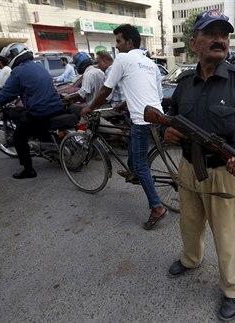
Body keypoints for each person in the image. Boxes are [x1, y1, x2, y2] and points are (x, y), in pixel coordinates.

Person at [162, 10, 235, 321]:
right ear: (195, 43)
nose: (219, 39)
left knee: (229, 235)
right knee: (190, 224)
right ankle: (191, 259)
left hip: (225, 173)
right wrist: (165, 132)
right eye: (211, 34)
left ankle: (234, 288)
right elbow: (171, 120)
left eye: (224, 34)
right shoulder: (184, 83)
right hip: (188, 167)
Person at [81, 24, 167, 230]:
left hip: (141, 120)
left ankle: (156, 207)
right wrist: (124, 103)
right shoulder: (150, 63)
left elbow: (105, 89)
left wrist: (89, 107)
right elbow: (156, 95)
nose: (116, 46)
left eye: (118, 41)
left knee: (141, 164)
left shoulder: (123, 58)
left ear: (129, 42)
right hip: (157, 115)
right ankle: (133, 171)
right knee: (134, 147)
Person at [0, 43, 63, 178]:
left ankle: (28, 170)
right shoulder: (38, 66)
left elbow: (8, 92)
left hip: (41, 111)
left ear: (13, 56)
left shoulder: (18, 71)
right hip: (57, 106)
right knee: (26, 116)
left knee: (19, 136)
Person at [63, 52, 104, 117]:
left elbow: (83, 92)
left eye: (76, 64)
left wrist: (69, 97)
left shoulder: (88, 74)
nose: (76, 67)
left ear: (80, 63)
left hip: (92, 107)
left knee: (72, 108)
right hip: (101, 105)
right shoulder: (99, 71)